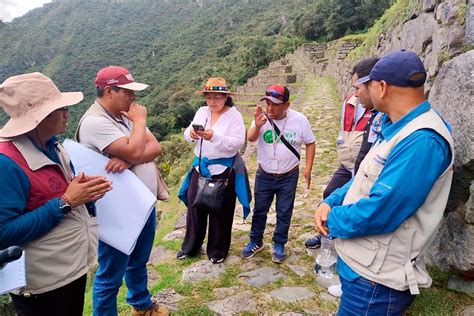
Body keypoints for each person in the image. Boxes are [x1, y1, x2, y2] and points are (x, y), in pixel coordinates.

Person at [314, 50, 454, 315]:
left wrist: (332, 219)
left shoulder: (422, 141)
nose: (357, 94)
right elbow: (365, 175)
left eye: (365, 87)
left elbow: (382, 210)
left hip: (376, 282)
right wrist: (330, 201)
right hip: (364, 269)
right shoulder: (397, 127)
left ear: (382, 87)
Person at [0, 72, 112, 316]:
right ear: (38, 119)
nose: (66, 113)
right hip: (42, 286)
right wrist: (67, 201)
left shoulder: (53, 145)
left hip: (69, 270)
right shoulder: (6, 163)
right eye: (59, 108)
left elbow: (54, 193)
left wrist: (83, 192)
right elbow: (3, 233)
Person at [76, 66, 168, 316]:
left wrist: (128, 159)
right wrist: (139, 124)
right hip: (118, 211)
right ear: (109, 91)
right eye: (127, 91)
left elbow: (155, 147)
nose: (133, 97)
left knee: (138, 260)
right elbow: (140, 150)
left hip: (142, 203)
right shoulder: (95, 122)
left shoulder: (122, 116)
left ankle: (141, 304)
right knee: (111, 273)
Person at [305, 57, 380, 252]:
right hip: (348, 164)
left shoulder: (381, 115)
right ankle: (326, 234)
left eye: (358, 87)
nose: (355, 92)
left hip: (365, 169)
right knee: (330, 194)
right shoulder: (350, 102)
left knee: (353, 201)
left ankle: (339, 238)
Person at [177, 77, 250, 264]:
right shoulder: (202, 112)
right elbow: (187, 133)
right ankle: (190, 247)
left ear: (226, 97)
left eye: (217, 97)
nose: (212, 102)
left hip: (223, 170)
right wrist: (191, 134)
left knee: (221, 210)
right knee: (195, 207)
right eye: (209, 97)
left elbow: (237, 143)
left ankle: (217, 250)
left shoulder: (234, 116)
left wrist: (214, 137)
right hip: (200, 166)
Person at [241, 84, 316, 263]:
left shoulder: (300, 120)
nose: (270, 108)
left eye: (275, 104)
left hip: (288, 175)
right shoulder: (262, 118)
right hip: (265, 174)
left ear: (287, 105)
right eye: (268, 103)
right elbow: (250, 138)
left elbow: (310, 143)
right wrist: (258, 125)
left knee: (284, 211)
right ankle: (255, 241)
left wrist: (308, 168)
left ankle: (279, 243)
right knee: (259, 210)